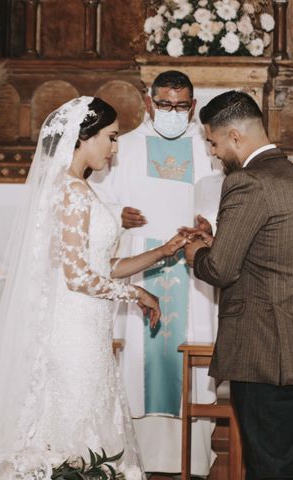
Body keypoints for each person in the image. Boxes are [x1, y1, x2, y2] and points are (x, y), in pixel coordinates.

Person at [0, 97, 188, 479]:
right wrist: (136, 294)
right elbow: (76, 275)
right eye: (111, 138)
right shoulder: (70, 191)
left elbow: (105, 267)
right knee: (74, 426)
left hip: (88, 328)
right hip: (72, 332)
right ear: (83, 137)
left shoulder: (81, 189)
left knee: (88, 422)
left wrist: (162, 252)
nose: (115, 149)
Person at [184, 90, 293, 480]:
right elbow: (271, 253)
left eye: (213, 142)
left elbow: (220, 270)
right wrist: (219, 238)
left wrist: (196, 252)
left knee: (269, 466)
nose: (214, 153)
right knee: (290, 461)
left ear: (234, 136)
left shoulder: (247, 181)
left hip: (264, 348)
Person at [89, 71, 220, 475]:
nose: (173, 113)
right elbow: (92, 204)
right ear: (148, 103)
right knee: (137, 362)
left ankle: (192, 457)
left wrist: (209, 226)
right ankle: (133, 457)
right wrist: (117, 216)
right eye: (165, 105)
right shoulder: (120, 148)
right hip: (139, 266)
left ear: (193, 107)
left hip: (192, 269)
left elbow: (221, 198)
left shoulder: (208, 149)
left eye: (181, 107)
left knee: (191, 346)